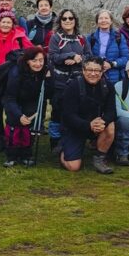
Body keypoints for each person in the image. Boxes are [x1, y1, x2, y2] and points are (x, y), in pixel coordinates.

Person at [0, 10, 30, 154]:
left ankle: (12, 138)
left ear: (13, 24)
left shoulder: (20, 37)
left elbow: (30, 53)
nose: (6, 24)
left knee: (11, 109)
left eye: (9, 22)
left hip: (13, 79)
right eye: (3, 22)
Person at [58, 58, 116, 174]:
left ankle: (99, 159)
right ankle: (63, 152)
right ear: (83, 70)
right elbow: (68, 115)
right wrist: (88, 125)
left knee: (110, 127)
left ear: (102, 72)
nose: (93, 73)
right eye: (89, 70)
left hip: (97, 125)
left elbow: (112, 112)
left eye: (97, 70)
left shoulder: (108, 86)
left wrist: (102, 122)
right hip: (75, 127)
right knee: (73, 167)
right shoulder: (73, 86)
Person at [1, 46, 50, 167]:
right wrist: (18, 115)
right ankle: (11, 155)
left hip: (32, 100)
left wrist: (49, 80)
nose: (38, 64)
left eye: (41, 60)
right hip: (14, 100)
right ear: (27, 60)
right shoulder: (16, 72)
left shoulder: (46, 72)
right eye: (34, 61)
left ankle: (26, 154)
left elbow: (47, 94)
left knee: (29, 126)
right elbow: (10, 97)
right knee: (14, 126)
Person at [47, 10, 88, 153]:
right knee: (58, 110)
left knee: (74, 109)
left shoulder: (82, 38)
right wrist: (70, 55)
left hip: (78, 80)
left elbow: (88, 56)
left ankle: (71, 138)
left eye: (71, 17)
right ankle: (55, 141)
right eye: (64, 18)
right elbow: (52, 57)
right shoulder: (56, 38)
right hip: (60, 81)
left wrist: (79, 59)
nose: (68, 20)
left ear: (75, 20)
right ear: (60, 21)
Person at [85, 10, 129, 84]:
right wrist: (96, 64)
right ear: (97, 22)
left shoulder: (119, 37)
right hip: (95, 76)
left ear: (111, 21)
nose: (103, 20)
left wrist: (111, 64)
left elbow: (126, 58)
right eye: (101, 18)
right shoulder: (91, 38)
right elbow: (86, 56)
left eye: (106, 18)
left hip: (114, 78)